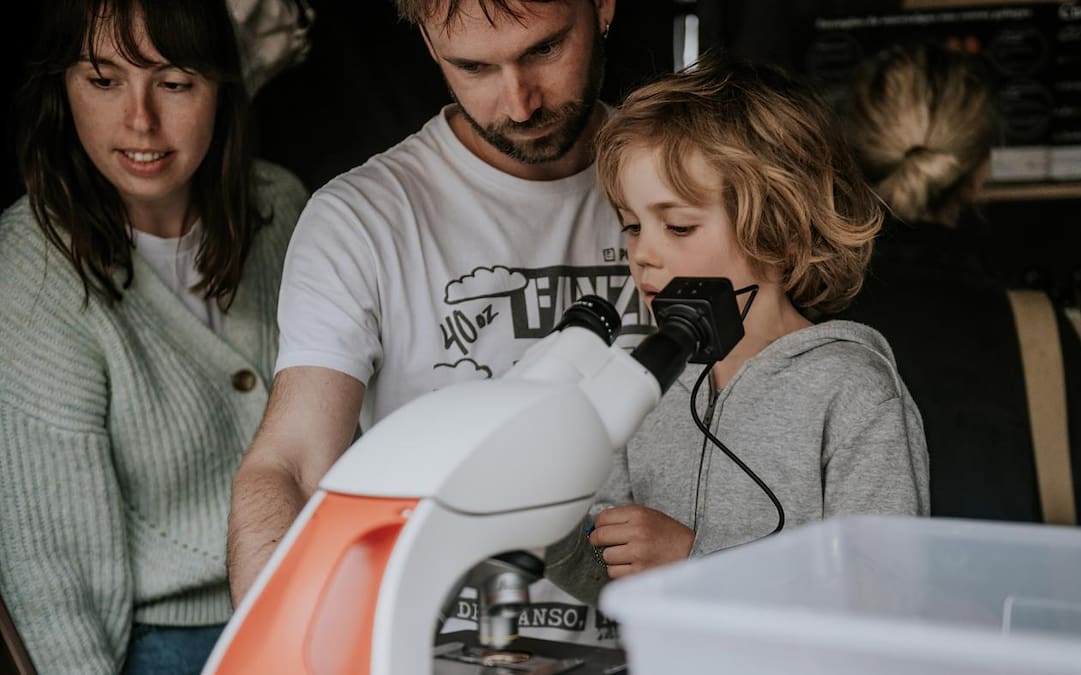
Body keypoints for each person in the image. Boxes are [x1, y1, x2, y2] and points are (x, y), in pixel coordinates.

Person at [227, 0, 651, 646]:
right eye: (475, 67)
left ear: (603, 8)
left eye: (543, 50)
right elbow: (290, 463)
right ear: (427, 40)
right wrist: (280, 647)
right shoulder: (361, 219)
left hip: (666, 638)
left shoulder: (688, 188)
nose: (519, 103)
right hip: (440, 651)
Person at [544, 55, 930, 603]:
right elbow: (608, 572)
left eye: (678, 226)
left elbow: (885, 594)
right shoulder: (642, 383)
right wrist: (542, 527)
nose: (644, 254)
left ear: (778, 230)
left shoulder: (851, 390)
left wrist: (695, 558)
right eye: (632, 227)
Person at [0, 0, 308, 672]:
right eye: (103, 80)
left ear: (221, 90)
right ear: (62, 87)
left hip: (310, 596)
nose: (140, 120)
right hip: (163, 638)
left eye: (173, 83)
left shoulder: (282, 207)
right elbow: (52, 573)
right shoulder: (30, 266)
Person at [836, 44, 1081, 524]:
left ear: (848, 158)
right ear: (980, 171)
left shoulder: (798, 316)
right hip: (1001, 596)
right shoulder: (1036, 331)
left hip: (827, 599)